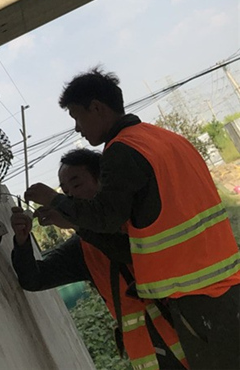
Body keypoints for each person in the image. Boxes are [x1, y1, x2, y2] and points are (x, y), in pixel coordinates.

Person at [24, 68, 240, 370]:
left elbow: (106, 217)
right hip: (225, 281)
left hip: (194, 292)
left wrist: (55, 200)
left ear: (96, 108)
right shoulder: (165, 139)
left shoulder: (122, 150)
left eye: (77, 117)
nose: (77, 129)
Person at [12, 148, 188, 370]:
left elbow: (126, 251)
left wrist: (75, 220)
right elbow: (34, 279)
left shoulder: (141, 217)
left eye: (77, 185)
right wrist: (22, 240)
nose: (71, 197)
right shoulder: (82, 249)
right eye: (65, 192)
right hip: (152, 359)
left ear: (102, 182)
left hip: (198, 342)